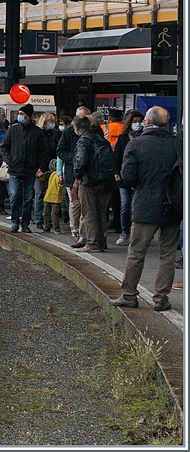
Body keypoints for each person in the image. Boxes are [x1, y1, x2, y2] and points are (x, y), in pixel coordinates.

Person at [111, 106, 182, 311]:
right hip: (173, 206)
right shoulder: (178, 144)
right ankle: (161, 298)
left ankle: (129, 294)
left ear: (147, 122)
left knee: (136, 252)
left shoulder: (135, 145)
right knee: (167, 254)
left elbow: (128, 178)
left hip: (145, 205)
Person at [0, 103, 45, 233]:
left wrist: (41, 167)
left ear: (29, 117)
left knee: (27, 198)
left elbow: (42, 152)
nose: (20, 116)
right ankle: (15, 221)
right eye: (19, 114)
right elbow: (3, 147)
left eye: (22, 114)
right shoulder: (13, 130)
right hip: (15, 169)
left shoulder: (37, 132)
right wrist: (10, 161)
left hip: (30, 170)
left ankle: (25, 223)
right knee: (14, 195)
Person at [71, 113, 113, 252]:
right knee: (101, 212)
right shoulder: (101, 139)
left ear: (77, 128)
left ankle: (92, 243)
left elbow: (81, 161)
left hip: (88, 180)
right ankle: (101, 241)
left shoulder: (84, 141)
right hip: (104, 180)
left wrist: (77, 176)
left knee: (89, 213)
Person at [59, 107, 90, 245]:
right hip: (72, 172)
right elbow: (60, 151)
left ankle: (84, 230)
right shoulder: (68, 133)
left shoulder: (91, 133)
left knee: (85, 204)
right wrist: (73, 159)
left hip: (86, 173)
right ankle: (75, 228)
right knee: (74, 202)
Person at [113, 109, 144, 247]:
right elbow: (117, 156)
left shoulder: (144, 137)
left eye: (139, 122)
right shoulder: (123, 138)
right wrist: (116, 172)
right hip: (124, 177)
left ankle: (137, 234)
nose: (137, 124)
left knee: (137, 206)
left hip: (140, 178)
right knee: (125, 205)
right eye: (134, 122)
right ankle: (125, 232)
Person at [42, 166, 64, 234]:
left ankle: (50, 227)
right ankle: (53, 227)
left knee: (49, 213)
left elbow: (61, 184)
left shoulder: (54, 175)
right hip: (54, 197)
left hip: (50, 196)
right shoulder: (53, 175)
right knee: (52, 213)